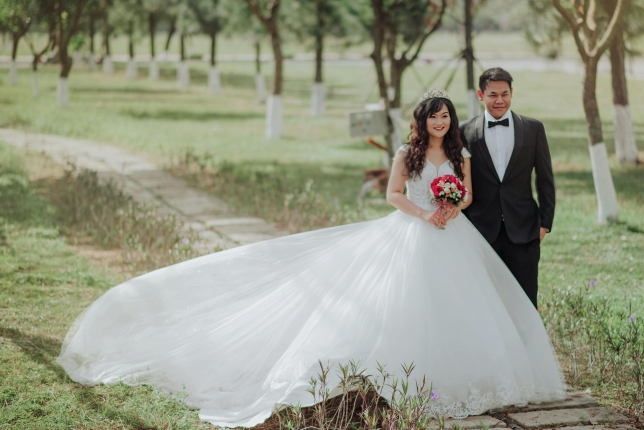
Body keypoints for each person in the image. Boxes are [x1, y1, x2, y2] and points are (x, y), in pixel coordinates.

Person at [58, 89, 565, 428]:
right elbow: (391, 195)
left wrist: (451, 209)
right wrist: (422, 214)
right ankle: (385, 381)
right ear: (422, 120)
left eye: (446, 115)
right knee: (400, 306)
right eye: (434, 115)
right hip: (410, 231)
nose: (441, 121)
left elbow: (470, 196)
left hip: (451, 235)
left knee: (462, 309)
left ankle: (461, 378)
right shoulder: (406, 154)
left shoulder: (461, 155)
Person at [460, 68, 556, 309]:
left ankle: (527, 347)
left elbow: (545, 179)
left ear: (512, 93)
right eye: (493, 95)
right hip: (480, 231)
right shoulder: (463, 131)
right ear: (481, 95)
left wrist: (544, 224)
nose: (499, 100)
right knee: (485, 304)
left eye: (504, 94)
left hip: (524, 231)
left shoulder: (533, 128)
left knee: (525, 302)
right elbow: (459, 180)